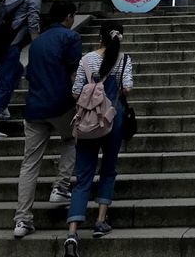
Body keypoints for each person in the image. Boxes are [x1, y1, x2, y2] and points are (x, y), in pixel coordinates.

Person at [64, 21, 133, 256]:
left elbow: (76, 91)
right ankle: (100, 221)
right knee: (108, 170)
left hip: (87, 121)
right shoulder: (123, 60)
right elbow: (127, 88)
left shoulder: (86, 59)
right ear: (120, 37)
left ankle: (72, 231)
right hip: (113, 119)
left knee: (83, 176)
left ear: (100, 37)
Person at [13, 1, 82, 239]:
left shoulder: (37, 42)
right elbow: (74, 73)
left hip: (35, 106)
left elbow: (30, 74)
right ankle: (61, 186)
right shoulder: (70, 37)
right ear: (69, 16)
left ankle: (22, 219)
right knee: (72, 139)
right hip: (61, 103)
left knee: (29, 164)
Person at [0, 0, 43, 139]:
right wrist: (38, 47)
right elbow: (33, 24)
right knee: (3, 85)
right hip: (12, 45)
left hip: (1, 44)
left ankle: (2, 107)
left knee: (17, 71)